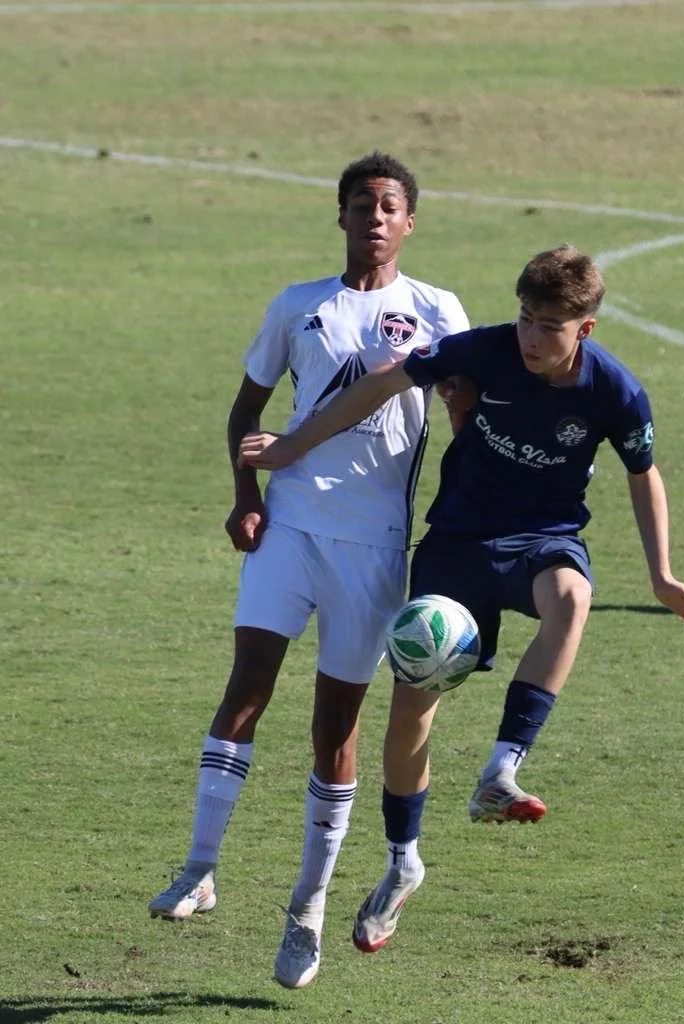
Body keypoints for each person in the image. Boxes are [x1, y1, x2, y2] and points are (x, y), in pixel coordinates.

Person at [239, 243, 684, 956]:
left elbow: (642, 474)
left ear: (583, 330)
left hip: (542, 537)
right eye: (525, 318)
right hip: (458, 542)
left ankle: (502, 768)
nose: (531, 336)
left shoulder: (613, 391)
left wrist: (661, 573)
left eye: (548, 326)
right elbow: (379, 383)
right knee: (411, 709)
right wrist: (293, 446)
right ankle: (402, 860)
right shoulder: (485, 350)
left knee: (571, 596)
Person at [147, 151, 470, 989]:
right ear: (339, 216)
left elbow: (468, 415)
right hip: (289, 524)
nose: (373, 216)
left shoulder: (436, 310)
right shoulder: (299, 306)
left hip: (372, 549)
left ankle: (309, 910)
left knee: (335, 730)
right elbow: (246, 411)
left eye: (388, 205)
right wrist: (243, 495)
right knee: (246, 685)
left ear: (408, 223)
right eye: (359, 203)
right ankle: (199, 866)